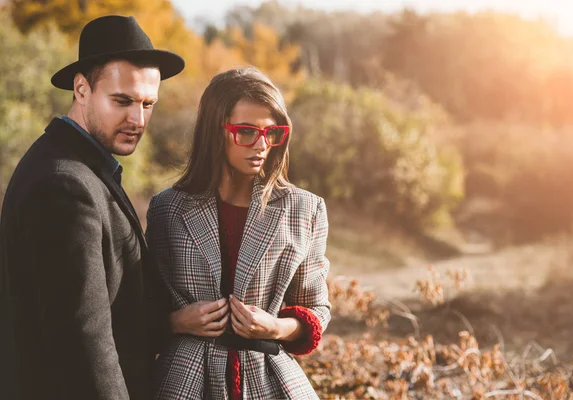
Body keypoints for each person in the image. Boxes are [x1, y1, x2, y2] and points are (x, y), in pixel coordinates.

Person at [0, 15, 184, 399]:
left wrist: (176, 321)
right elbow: (83, 344)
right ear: (81, 89)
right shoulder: (64, 184)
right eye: (122, 101)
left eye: (148, 103)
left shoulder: (81, 167)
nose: (138, 119)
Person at [146, 67, 331, 399]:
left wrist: (276, 327)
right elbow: (143, 307)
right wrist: (177, 322)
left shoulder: (305, 209)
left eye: (272, 132)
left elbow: (316, 308)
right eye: (245, 131)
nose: (261, 145)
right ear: (215, 131)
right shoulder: (167, 209)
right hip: (185, 380)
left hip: (270, 376)